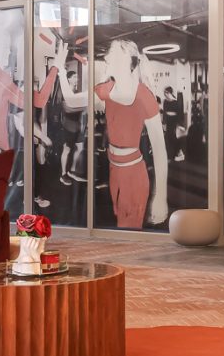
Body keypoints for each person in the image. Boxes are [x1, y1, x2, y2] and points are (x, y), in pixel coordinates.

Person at [57, 39, 168, 228]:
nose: (106, 56)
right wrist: (60, 69)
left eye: (112, 53)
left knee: (128, 230)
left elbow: (159, 151)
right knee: (120, 224)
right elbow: (71, 100)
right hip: (114, 170)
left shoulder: (144, 96)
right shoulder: (106, 89)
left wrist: (160, 198)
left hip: (133, 175)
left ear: (126, 60)